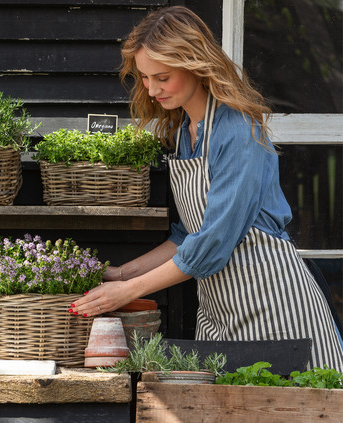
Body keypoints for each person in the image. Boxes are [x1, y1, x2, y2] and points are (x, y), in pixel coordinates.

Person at [71, 5, 343, 374]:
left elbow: (212, 242)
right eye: (145, 78)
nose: (151, 90)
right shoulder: (185, 133)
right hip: (222, 309)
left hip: (275, 304)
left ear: (195, 65)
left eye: (162, 77)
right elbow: (188, 238)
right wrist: (122, 274)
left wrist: (129, 292)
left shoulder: (237, 130)